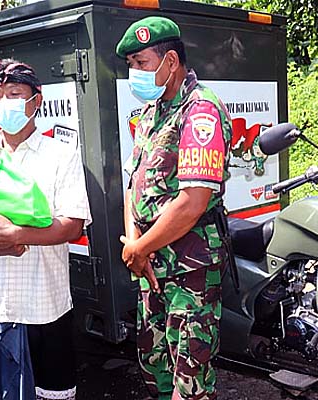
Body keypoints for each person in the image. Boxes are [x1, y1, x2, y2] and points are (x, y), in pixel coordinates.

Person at [0, 58, 90, 400]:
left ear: (36, 100)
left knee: (51, 393)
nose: (5, 102)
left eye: (15, 93)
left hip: (45, 305)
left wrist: (20, 236)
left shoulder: (61, 156)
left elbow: (73, 225)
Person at [116, 16, 233, 400]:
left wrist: (140, 248)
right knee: (155, 365)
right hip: (151, 265)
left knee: (190, 377)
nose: (135, 72)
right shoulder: (151, 115)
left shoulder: (200, 111)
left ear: (170, 61)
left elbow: (192, 202)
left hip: (190, 268)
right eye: (131, 65)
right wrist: (135, 245)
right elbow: (134, 185)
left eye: (142, 64)